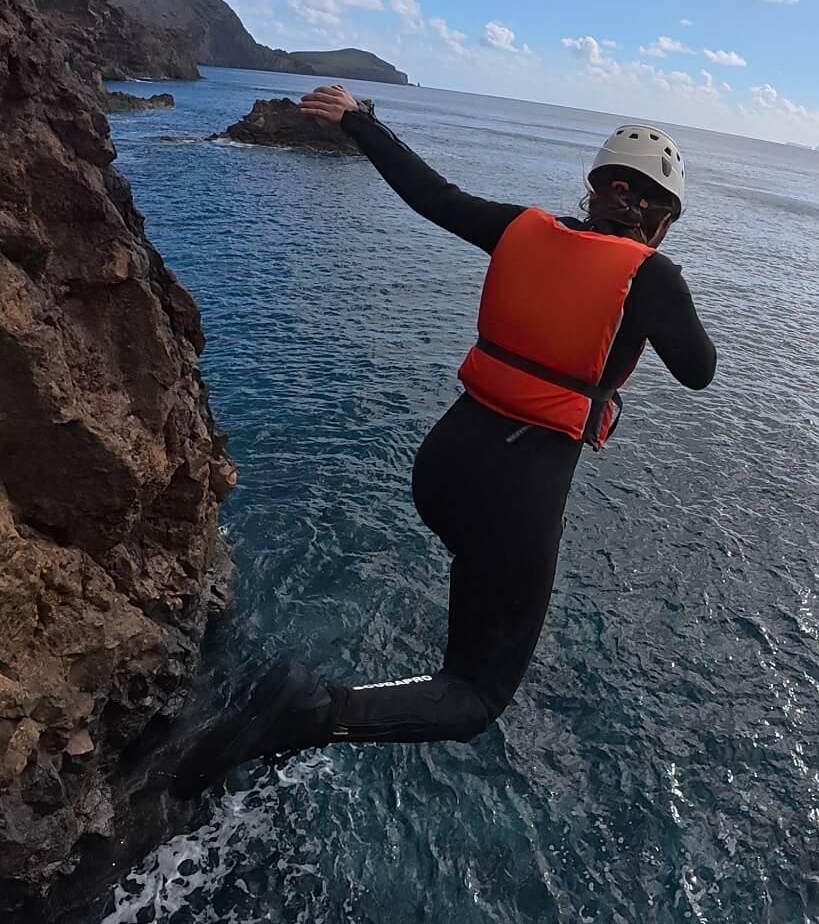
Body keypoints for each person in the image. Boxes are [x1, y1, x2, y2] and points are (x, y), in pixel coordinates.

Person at [172, 91, 715, 795]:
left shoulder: (521, 228)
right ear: (664, 218)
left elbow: (431, 194)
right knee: (475, 696)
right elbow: (698, 369)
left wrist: (359, 121)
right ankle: (311, 710)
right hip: (517, 493)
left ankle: (268, 719)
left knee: (485, 569)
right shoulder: (654, 278)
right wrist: (655, 297)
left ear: (595, 188)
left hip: (442, 470)